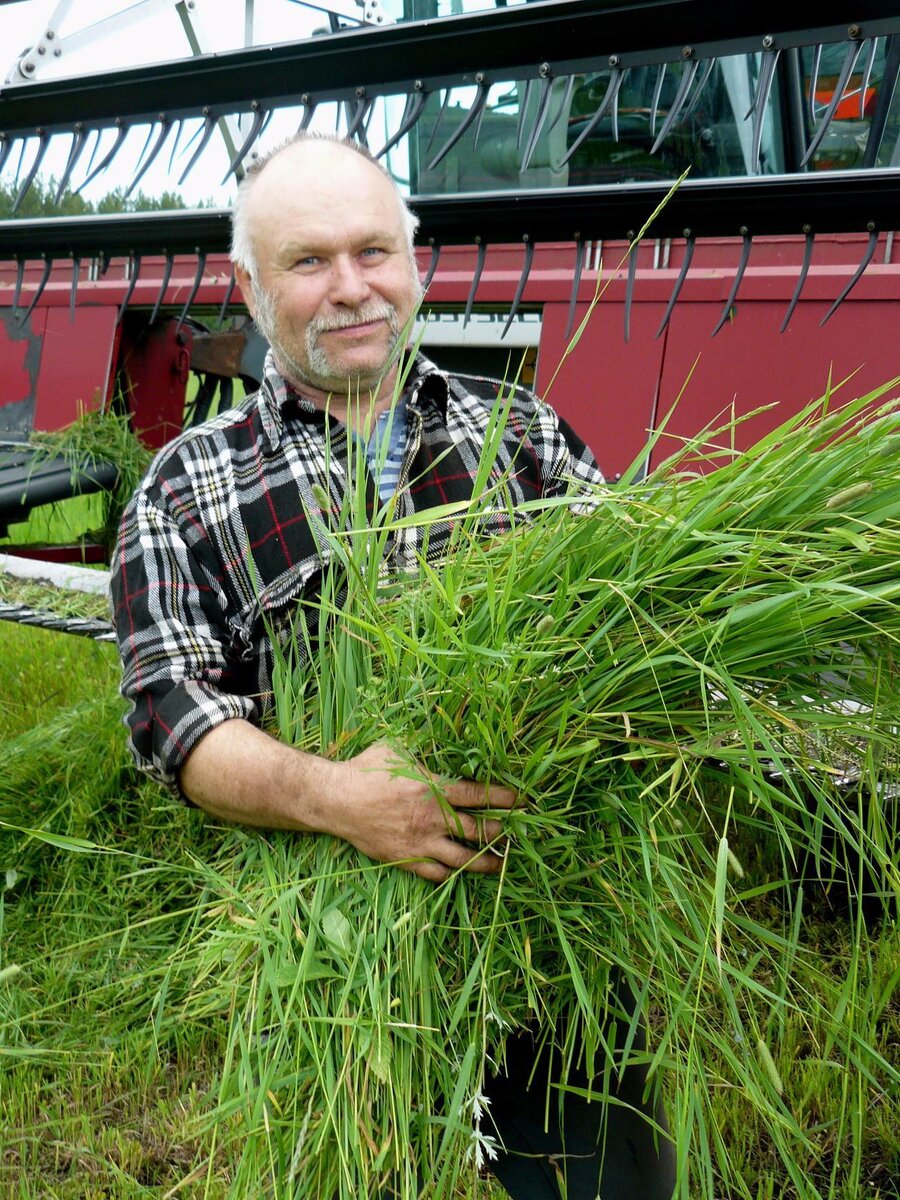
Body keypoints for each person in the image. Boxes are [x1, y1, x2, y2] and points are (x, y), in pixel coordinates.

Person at [111, 132, 675, 1199]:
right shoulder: (184, 490)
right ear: (249, 284)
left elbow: (631, 622)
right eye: (309, 261)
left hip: (546, 904)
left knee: (606, 1181)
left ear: (415, 262)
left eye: (375, 252)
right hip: (336, 950)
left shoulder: (518, 431)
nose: (352, 289)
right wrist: (339, 799)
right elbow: (174, 720)